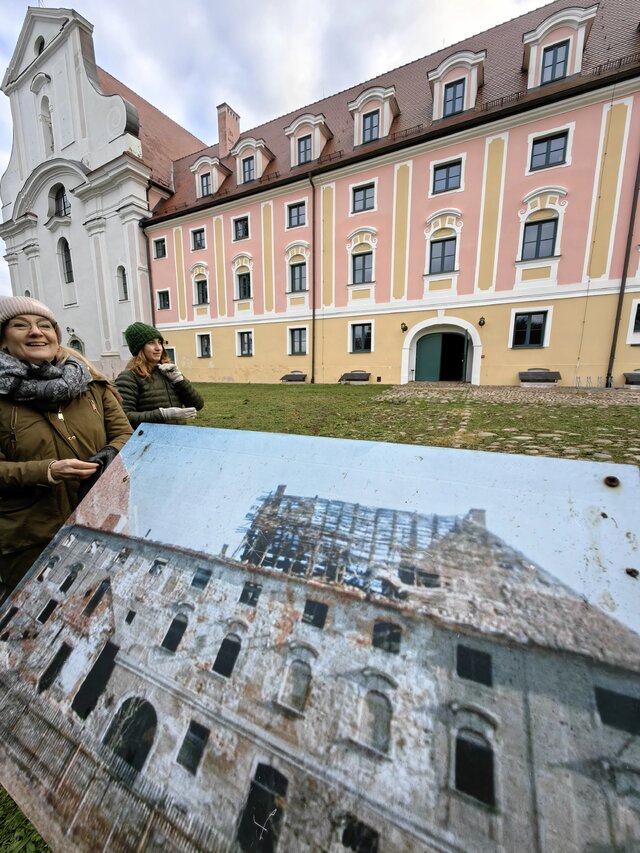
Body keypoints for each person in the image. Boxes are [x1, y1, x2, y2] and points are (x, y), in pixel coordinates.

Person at [0, 296, 133, 589]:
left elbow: (126, 434)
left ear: (55, 337)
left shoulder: (92, 387)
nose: (36, 331)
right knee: (34, 615)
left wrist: (110, 453)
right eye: (20, 325)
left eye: (44, 325)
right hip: (31, 538)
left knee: (99, 600)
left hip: (100, 523)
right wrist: (47, 471)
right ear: (4, 341)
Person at [115, 322, 204, 428]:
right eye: (151, 343)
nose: (159, 348)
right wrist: (162, 415)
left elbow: (197, 405)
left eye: (160, 342)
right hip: (149, 441)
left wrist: (179, 380)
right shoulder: (129, 377)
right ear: (139, 348)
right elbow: (123, 417)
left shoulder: (169, 371)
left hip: (178, 437)